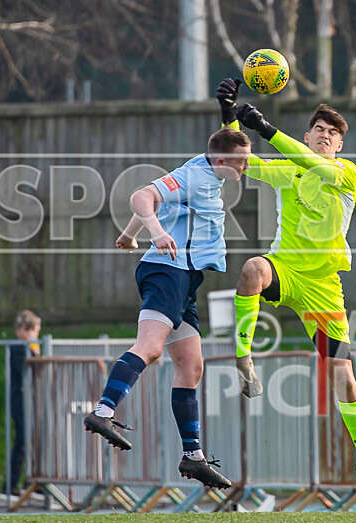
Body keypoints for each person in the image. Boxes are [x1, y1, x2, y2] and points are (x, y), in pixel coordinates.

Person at [215, 78, 356, 499]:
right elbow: (234, 163)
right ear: (307, 136)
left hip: (323, 287)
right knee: (252, 270)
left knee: (343, 377)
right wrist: (229, 116)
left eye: (333, 134)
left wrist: (264, 128)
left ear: (339, 148)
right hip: (287, 269)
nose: (326, 136)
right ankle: (244, 357)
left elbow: (310, 163)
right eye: (320, 130)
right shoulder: (289, 167)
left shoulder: (344, 172)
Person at [83, 109, 252, 490]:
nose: (246, 168)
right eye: (242, 162)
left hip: (184, 275)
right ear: (222, 161)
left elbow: (159, 200)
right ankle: (103, 411)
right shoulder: (197, 174)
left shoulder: (208, 169)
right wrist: (155, 233)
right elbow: (143, 195)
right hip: (167, 270)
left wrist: (130, 234)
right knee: (151, 347)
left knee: (191, 366)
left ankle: (193, 457)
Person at [0, 310, 41, 500]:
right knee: (22, 441)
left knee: (30, 440)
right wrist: (32, 345)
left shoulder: (28, 346)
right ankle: (10, 486)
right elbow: (28, 366)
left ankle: (30, 482)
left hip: (29, 399)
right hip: (20, 399)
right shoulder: (19, 347)